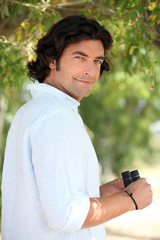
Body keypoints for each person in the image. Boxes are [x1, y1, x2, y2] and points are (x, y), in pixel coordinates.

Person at [1, 15, 152, 240]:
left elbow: (45, 203)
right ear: (52, 60)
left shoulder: (34, 111)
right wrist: (130, 200)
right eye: (79, 57)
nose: (91, 71)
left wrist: (101, 194)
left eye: (97, 61)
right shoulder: (55, 117)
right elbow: (66, 215)